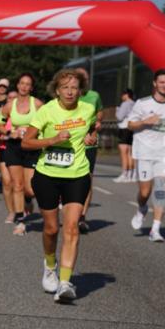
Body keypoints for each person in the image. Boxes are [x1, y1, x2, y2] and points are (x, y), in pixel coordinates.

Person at [22, 68, 98, 303]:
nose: (70, 92)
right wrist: (52, 140)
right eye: (65, 87)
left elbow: (91, 128)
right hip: (47, 174)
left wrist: (91, 137)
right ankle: (49, 265)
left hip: (77, 174)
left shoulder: (87, 109)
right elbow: (26, 142)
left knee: (72, 227)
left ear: (80, 90)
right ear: (57, 90)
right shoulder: (46, 110)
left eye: (74, 87)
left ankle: (65, 283)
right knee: (51, 228)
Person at [125, 68, 165, 242]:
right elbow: (130, 125)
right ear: (155, 83)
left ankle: (155, 229)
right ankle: (142, 208)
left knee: (160, 190)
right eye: (161, 82)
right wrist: (145, 121)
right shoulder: (142, 103)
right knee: (145, 192)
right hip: (144, 152)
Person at [0, 72, 43, 235]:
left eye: (27, 84)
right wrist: (10, 132)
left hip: (32, 147)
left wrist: (33, 132)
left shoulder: (37, 104)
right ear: (17, 85)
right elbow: (0, 123)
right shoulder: (10, 105)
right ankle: (21, 221)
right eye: (22, 83)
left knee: (29, 189)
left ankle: (28, 199)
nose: (24, 86)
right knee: (17, 185)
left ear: (31, 88)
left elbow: (48, 122)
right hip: (14, 147)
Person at [75, 68, 103, 233]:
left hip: (89, 144)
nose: (82, 80)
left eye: (84, 77)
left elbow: (99, 113)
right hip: (70, 144)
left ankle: (82, 217)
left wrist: (98, 122)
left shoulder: (94, 96)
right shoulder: (68, 94)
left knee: (87, 179)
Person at [113, 89, 136, 182]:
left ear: (127, 95)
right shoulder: (134, 103)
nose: (121, 96)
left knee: (123, 152)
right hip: (132, 128)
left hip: (124, 128)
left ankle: (124, 174)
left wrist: (117, 110)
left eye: (123, 94)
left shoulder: (125, 104)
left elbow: (119, 117)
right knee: (130, 152)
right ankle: (132, 175)